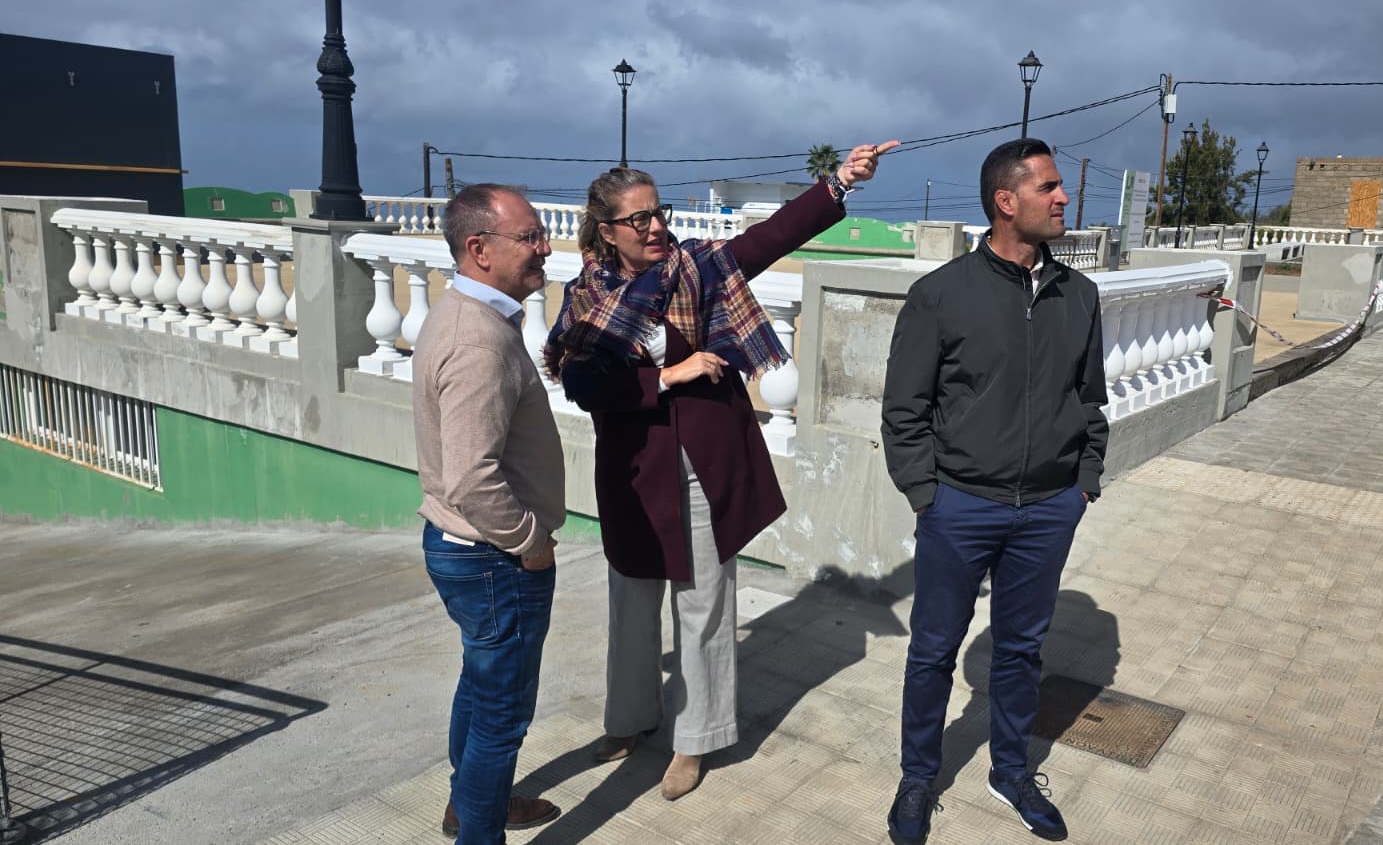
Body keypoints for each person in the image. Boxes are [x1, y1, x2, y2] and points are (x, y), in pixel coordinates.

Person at [546, 140, 898, 801]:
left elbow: (772, 236)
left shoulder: (699, 268)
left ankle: (695, 738)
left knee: (704, 604)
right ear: (606, 231)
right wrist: (667, 376)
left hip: (707, 464)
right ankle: (628, 720)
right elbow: (584, 385)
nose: (655, 227)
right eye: (638, 219)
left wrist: (840, 183)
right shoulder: (586, 298)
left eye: (659, 212)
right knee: (632, 603)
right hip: (634, 472)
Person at [880, 138, 1108, 843]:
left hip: (1048, 508)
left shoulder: (1079, 295)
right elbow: (904, 411)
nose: (1063, 197)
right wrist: (927, 495)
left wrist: (1082, 484)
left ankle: (1010, 771)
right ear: (1006, 202)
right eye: (1049, 187)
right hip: (960, 506)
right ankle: (918, 776)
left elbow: (1090, 399)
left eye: (1060, 186)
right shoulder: (940, 295)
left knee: (1021, 650)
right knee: (933, 650)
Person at [412, 183, 566, 844]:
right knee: (502, 715)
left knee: (481, 687)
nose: (545, 248)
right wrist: (530, 542)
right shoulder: (478, 340)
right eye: (529, 237)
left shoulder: (469, 314)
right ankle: (480, 826)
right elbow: (473, 478)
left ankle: (472, 803)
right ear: (479, 249)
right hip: (494, 559)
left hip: (470, 552)